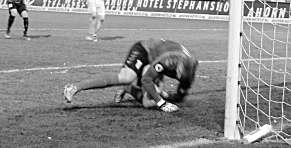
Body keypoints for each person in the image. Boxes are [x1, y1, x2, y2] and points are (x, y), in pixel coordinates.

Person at [63, 38, 198, 113]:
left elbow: (179, 97)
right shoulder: (169, 60)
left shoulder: (189, 72)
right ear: (178, 65)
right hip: (145, 50)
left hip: (155, 61)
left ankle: (128, 89)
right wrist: (162, 103)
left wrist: (163, 94)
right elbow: (146, 79)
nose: (179, 76)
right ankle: (75, 87)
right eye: (178, 72)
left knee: (148, 103)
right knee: (126, 77)